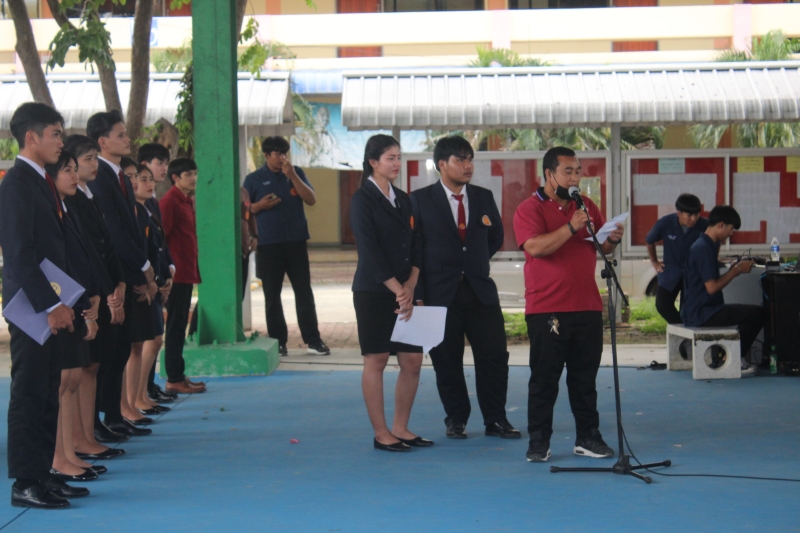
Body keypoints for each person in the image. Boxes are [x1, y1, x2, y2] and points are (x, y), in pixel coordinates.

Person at [0, 102, 88, 508]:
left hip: (52, 303)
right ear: (30, 137)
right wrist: (51, 304)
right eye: (55, 134)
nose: (60, 142)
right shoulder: (16, 184)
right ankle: (24, 481)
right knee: (30, 391)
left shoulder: (42, 182)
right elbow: (19, 253)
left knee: (49, 390)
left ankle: (43, 471)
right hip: (32, 306)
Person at [513, 146, 624, 463]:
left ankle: (588, 437)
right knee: (544, 379)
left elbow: (600, 246)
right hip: (547, 307)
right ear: (549, 174)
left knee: (585, 379)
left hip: (587, 305)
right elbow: (535, 247)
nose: (575, 177)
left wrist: (612, 239)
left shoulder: (585, 205)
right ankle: (539, 442)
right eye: (568, 172)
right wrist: (571, 226)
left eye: (578, 171)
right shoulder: (529, 208)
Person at [410, 136, 520, 440]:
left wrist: (472, 262)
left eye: (470, 159)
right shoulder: (420, 200)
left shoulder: (483, 196)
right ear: (441, 165)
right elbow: (414, 250)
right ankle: (456, 419)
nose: (468, 165)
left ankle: (496, 419)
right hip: (439, 294)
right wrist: (419, 295)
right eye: (460, 160)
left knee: (494, 358)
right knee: (446, 361)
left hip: (480, 291)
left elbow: (494, 237)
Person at [350, 134, 430, 452]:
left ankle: (401, 427)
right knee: (377, 359)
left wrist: (410, 285)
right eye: (390, 158)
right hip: (373, 291)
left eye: (399, 157)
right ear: (373, 162)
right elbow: (369, 251)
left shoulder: (404, 199)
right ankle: (381, 433)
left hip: (405, 291)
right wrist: (399, 290)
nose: (397, 163)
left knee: (412, 359)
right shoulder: (362, 199)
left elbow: (416, 245)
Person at [86, 110, 156, 440]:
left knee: (121, 348)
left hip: (125, 274)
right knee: (109, 353)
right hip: (112, 275)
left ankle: (114, 414)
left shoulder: (118, 176)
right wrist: (142, 266)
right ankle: (104, 418)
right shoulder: (99, 176)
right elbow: (113, 232)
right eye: (121, 134)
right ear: (103, 141)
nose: (128, 139)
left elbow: (130, 228)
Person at [62, 134, 128, 460]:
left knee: (92, 365)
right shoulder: (69, 202)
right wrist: (99, 293)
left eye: (90, 160)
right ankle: (79, 438)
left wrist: (118, 284)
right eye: (83, 161)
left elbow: (106, 247)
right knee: (80, 370)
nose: (89, 167)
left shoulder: (88, 198)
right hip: (83, 294)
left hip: (99, 290)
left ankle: (87, 434)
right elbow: (84, 254)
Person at [243, 136, 330, 357]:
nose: (282, 158)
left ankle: (313, 340)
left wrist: (292, 177)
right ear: (266, 155)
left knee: (304, 293)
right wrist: (260, 205)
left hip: (296, 242)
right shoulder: (253, 179)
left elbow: (311, 199)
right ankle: (278, 342)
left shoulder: (296, 173)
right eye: (277, 154)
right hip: (268, 245)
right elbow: (244, 210)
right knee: (272, 296)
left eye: (285, 153)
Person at [46, 150, 103, 482]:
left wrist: (92, 298)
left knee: (71, 379)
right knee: (63, 380)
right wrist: (79, 304)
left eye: (73, 169)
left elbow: (85, 260)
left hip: (77, 300)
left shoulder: (70, 208)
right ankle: (59, 456)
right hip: (61, 304)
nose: (74, 175)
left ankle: (68, 452)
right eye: (66, 170)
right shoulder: (51, 212)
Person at [681, 205, 765, 375]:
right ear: (721, 225)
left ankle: (724, 355)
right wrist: (736, 271)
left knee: (746, 313)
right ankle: (735, 358)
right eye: (731, 229)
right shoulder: (703, 248)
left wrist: (733, 267)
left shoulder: (707, 244)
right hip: (702, 312)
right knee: (758, 314)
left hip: (700, 309)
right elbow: (712, 288)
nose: (731, 233)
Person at [160, 158, 206, 394]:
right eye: (188, 174)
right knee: (175, 327)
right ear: (175, 177)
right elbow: (160, 238)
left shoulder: (186, 200)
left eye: (195, 173)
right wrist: (165, 272)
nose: (194, 178)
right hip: (175, 275)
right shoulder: (170, 201)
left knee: (179, 327)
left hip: (186, 272)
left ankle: (178, 374)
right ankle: (173, 378)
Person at [137, 143, 177, 404]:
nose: (163, 169)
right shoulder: (137, 204)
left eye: (165, 163)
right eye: (158, 163)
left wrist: (169, 271)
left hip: (158, 277)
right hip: (143, 282)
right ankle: (137, 397)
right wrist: (153, 277)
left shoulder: (151, 201)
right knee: (145, 342)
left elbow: (161, 242)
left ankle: (147, 389)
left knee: (153, 341)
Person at [646, 194, 708, 325]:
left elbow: (715, 242)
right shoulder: (665, 222)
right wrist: (654, 261)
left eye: (696, 215)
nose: (693, 219)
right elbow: (650, 240)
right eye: (689, 215)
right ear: (679, 213)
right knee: (662, 305)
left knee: (688, 309)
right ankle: (681, 328)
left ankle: (687, 332)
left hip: (693, 274)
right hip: (671, 271)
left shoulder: (704, 225)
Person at [241, 186, 258, 301]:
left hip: (242, 251)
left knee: (239, 294)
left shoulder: (242, 192)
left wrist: (254, 236)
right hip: (220, 253)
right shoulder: (208, 191)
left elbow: (250, 215)